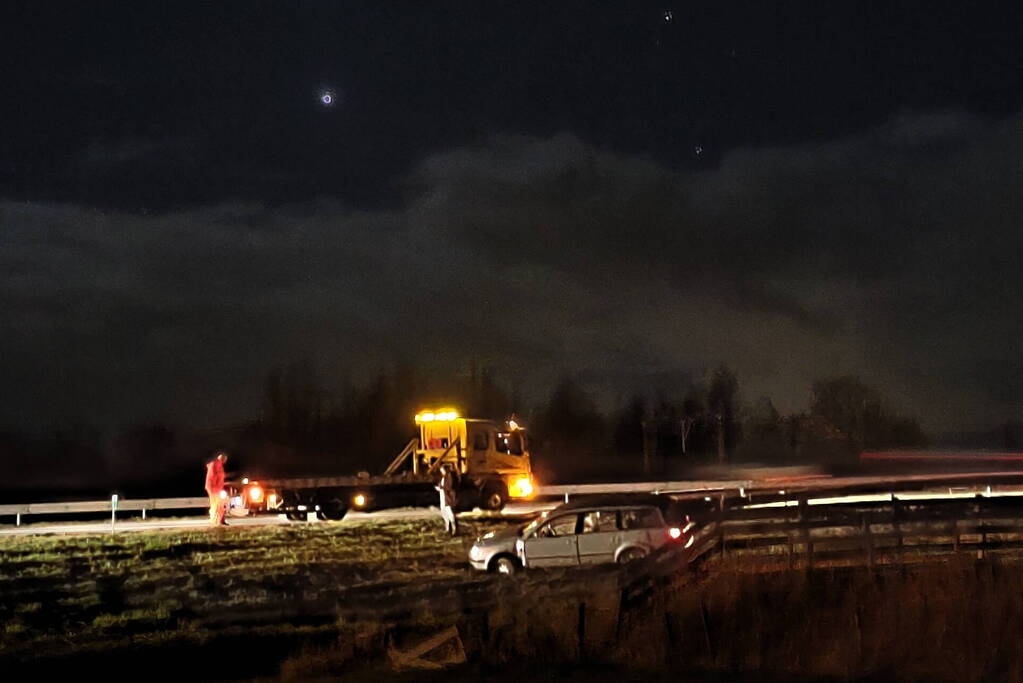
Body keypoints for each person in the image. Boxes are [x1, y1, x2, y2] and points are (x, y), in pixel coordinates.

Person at [205, 452, 229, 526]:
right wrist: (215, 487)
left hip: (216, 488)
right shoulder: (215, 464)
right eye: (225, 459)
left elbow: (219, 477)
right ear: (223, 459)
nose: (225, 461)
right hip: (214, 488)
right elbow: (212, 477)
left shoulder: (219, 465)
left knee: (220, 504)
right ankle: (215, 520)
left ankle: (220, 520)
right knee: (216, 504)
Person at [436, 463, 459, 536]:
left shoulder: (450, 476)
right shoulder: (444, 477)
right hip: (444, 498)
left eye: (442, 470)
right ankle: (448, 529)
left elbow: (450, 486)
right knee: (445, 513)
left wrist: (441, 487)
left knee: (450, 514)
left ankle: (454, 530)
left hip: (449, 499)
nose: (441, 472)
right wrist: (440, 487)